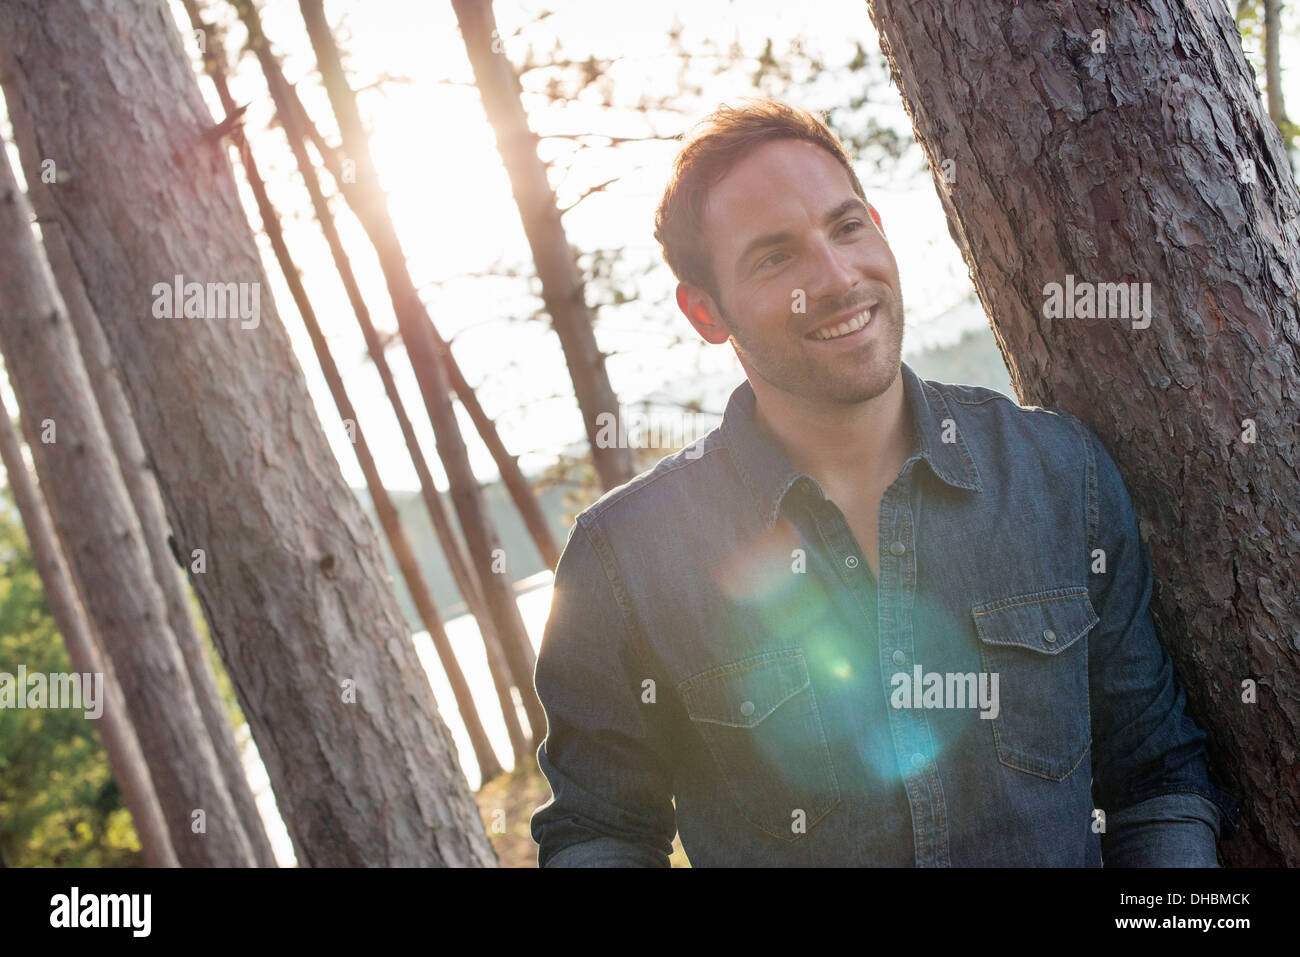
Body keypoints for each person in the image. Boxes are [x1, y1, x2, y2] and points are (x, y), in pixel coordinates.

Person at [529, 98, 1240, 866]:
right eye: (775, 257)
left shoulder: (1058, 471)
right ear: (706, 311)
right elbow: (600, 830)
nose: (837, 278)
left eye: (846, 227)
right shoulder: (624, 559)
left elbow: (1156, 774)